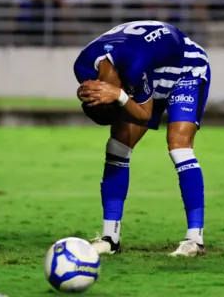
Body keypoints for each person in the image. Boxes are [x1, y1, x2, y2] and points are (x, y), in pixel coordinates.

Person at [74, 20, 211, 257]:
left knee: (179, 147)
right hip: (147, 72)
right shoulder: (83, 68)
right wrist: (106, 95)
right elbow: (110, 102)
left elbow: (144, 114)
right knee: (117, 145)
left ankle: (195, 240)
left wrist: (118, 95)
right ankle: (110, 238)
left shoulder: (134, 62)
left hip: (184, 67)